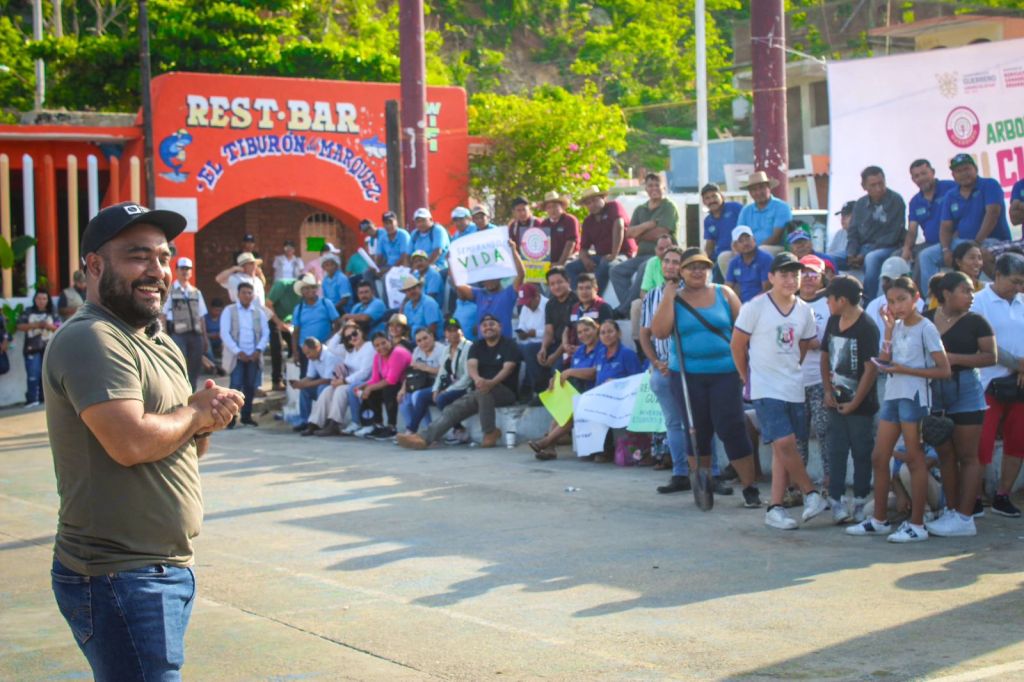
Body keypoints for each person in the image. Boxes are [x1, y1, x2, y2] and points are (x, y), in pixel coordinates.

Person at [44, 201, 242, 679]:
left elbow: (184, 446)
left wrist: (204, 422)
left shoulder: (159, 342)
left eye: (164, 257)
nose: (157, 270)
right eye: (138, 257)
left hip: (165, 568)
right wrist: (193, 412)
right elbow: (131, 443)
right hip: (117, 574)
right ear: (94, 266)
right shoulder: (91, 337)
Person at [651, 248, 762, 507]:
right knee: (696, 431)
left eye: (703, 266)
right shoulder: (674, 298)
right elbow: (659, 331)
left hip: (725, 372)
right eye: (691, 267)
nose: (697, 271)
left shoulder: (724, 293)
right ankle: (703, 485)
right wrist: (668, 296)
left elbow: (745, 328)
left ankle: (749, 487)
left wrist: (747, 367)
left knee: (732, 428)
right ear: (681, 272)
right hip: (687, 376)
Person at [846, 276, 951, 543]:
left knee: (914, 459)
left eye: (902, 299)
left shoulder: (926, 328)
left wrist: (906, 370)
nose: (896, 306)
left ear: (916, 298)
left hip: (914, 397)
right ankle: (879, 520)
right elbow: (886, 359)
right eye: (892, 301)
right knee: (880, 457)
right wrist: (889, 331)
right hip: (893, 396)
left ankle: (917, 524)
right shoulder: (898, 325)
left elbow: (943, 369)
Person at [731, 252, 829, 530]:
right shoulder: (755, 307)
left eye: (795, 274)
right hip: (764, 386)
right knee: (785, 443)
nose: (790, 280)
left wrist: (791, 368)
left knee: (781, 450)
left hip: (793, 386)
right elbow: (737, 346)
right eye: (784, 274)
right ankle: (811, 493)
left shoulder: (804, 310)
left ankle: (775, 507)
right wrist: (746, 377)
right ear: (771, 277)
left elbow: (804, 344)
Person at [921, 271, 995, 537]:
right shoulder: (926, 320)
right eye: (965, 290)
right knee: (945, 454)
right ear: (946, 294)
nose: (971, 296)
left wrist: (951, 357)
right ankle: (951, 510)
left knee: (968, 455)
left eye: (972, 290)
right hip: (935, 391)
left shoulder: (977, 322)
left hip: (966, 389)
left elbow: (990, 357)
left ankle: (965, 517)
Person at [396, 314, 521, 449]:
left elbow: (508, 368)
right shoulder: (478, 346)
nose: (488, 327)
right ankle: (424, 438)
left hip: (505, 390)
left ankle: (489, 432)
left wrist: (490, 383)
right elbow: (472, 366)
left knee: (482, 391)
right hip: (480, 389)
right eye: (485, 325)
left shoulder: (509, 344)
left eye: (492, 324)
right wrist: (479, 379)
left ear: (500, 327)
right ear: (480, 329)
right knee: (452, 409)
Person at [820, 275, 880, 524]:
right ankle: (836, 499)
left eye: (830, 299)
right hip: (836, 400)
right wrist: (827, 390)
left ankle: (860, 499)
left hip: (861, 405)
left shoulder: (867, 327)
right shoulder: (834, 321)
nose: (827, 303)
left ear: (842, 300)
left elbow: (871, 369)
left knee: (861, 451)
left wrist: (855, 403)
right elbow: (825, 355)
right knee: (836, 451)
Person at [972, 252, 1024, 519]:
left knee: (1018, 441)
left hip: (1018, 385)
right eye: (1013, 281)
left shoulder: (1022, 302)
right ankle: (975, 496)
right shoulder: (979, 301)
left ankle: (1003, 494)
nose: (1018, 288)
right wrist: (1017, 363)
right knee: (983, 442)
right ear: (998, 275)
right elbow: (983, 343)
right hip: (987, 380)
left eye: (1021, 283)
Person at [919, 153, 1012, 287]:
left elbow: (993, 214)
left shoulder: (989, 184)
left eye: (967, 169)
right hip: (961, 243)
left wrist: (976, 243)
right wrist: (945, 250)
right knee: (926, 256)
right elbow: (945, 226)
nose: (963, 174)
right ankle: (933, 300)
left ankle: (986, 294)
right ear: (953, 175)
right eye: (958, 171)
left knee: (976, 254)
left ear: (975, 169)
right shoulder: (951, 195)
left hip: (989, 240)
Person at [528, 316, 603, 460]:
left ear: (596, 329)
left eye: (587, 330)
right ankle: (550, 448)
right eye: (580, 332)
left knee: (571, 412)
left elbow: (594, 373)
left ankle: (547, 442)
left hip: (595, 392)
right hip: (578, 391)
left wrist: (569, 372)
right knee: (560, 410)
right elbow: (570, 374)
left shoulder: (602, 348)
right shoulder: (580, 351)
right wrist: (556, 380)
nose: (583, 334)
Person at [611, 173, 677, 316]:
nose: (654, 188)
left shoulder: (668, 207)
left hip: (661, 256)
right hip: (640, 254)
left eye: (657, 185)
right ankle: (629, 308)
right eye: (650, 185)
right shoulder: (640, 209)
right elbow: (629, 234)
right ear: (645, 188)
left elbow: (661, 233)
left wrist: (639, 233)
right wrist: (649, 224)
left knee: (644, 267)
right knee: (616, 271)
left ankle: (624, 308)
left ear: (663, 187)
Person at [795, 255, 832, 489]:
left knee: (825, 432)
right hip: (794, 381)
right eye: (804, 273)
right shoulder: (789, 302)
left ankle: (830, 482)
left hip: (820, 379)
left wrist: (809, 341)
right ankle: (799, 485)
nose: (808, 278)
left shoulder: (829, 303)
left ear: (822, 278)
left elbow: (830, 340)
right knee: (797, 437)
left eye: (813, 273)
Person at [846, 166, 907, 301]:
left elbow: (893, 234)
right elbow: (853, 232)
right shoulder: (860, 204)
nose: (878, 188)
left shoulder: (895, 200)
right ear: (864, 186)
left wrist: (864, 254)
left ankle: (868, 301)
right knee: (831, 259)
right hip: (861, 248)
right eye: (873, 185)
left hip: (887, 247)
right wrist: (851, 253)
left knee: (871, 258)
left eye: (881, 183)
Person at [311, 323, 376, 436]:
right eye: (348, 337)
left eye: (354, 333)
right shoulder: (349, 350)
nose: (353, 338)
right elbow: (330, 346)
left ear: (360, 331)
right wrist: (341, 331)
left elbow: (365, 372)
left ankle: (334, 423)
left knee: (340, 390)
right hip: (349, 382)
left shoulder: (369, 347)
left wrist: (344, 381)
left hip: (364, 382)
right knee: (327, 390)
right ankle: (315, 423)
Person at [564, 186, 634, 292]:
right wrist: (585, 259)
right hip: (601, 256)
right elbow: (583, 248)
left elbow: (619, 226)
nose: (592, 205)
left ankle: (594, 297)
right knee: (569, 268)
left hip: (622, 254)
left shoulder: (613, 206)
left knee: (605, 264)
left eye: (595, 200)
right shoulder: (588, 221)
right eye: (588, 203)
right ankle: (578, 297)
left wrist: (614, 254)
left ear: (603, 198)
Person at [722, 171, 791, 276]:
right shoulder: (746, 210)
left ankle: (766, 286)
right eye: (754, 189)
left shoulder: (781, 207)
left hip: (775, 248)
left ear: (769, 187)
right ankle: (733, 288)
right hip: (747, 249)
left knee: (763, 251)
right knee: (724, 257)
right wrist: (736, 249)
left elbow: (776, 236)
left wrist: (753, 251)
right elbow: (736, 237)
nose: (758, 192)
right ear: (750, 193)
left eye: (762, 187)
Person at [221, 281, 270, 427]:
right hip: (237, 356)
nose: (247, 295)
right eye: (244, 292)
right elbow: (225, 333)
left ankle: (246, 416)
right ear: (238, 294)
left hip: (253, 355)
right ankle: (231, 418)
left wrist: (258, 350)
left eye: (250, 293)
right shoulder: (229, 311)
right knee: (235, 387)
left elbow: (265, 332)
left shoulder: (259, 312)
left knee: (250, 387)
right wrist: (238, 351)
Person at [453, 240, 526, 338]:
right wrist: (451, 261)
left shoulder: (508, 294)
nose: (489, 281)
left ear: (499, 276)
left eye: (492, 276)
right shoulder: (479, 294)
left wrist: (513, 250)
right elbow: (458, 283)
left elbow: (521, 274)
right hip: (483, 348)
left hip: (503, 345)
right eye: (485, 278)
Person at [348, 332, 412, 439]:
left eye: (383, 343)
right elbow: (375, 379)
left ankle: (392, 427)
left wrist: (369, 388)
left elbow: (391, 380)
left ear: (390, 341)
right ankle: (377, 425)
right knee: (370, 391)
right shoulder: (377, 357)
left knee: (388, 389)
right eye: (377, 345)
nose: (381, 347)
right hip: (395, 384)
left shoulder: (397, 353)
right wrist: (362, 386)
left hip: (408, 384)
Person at [901, 159, 957, 278]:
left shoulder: (950, 188)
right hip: (929, 243)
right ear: (913, 179)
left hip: (951, 241)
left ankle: (922, 294)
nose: (921, 178)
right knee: (896, 256)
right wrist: (906, 248)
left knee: (923, 256)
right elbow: (912, 230)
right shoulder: (915, 201)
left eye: (924, 173)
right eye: (916, 176)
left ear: (933, 172)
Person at [162, 256, 210, 389]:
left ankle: (192, 393)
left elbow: (201, 317)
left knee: (194, 369)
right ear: (176, 271)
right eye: (182, 269)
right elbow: (163, 315)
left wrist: (205, 338)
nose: (185, 271)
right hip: (178, 334)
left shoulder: (196, 292)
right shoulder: (169, 291)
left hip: (196, 335)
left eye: (188, 269)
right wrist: (164, 336)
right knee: (178, 366)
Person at [398, 327, 447, 435]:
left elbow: (445, 373)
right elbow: (411, 373)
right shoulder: (417, 350)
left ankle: (429, 432)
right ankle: (411, 432)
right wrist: (403, 389)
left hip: (440, 384)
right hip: (421, 383)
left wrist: (425, 368)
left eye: (425, 338)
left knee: (417, 396)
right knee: (404, 400)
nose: (423, 343)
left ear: (432, 336)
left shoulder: (442, 350)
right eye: (419, 341)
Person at [432, 318, 474, 444]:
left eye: (455, 330)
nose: (453, 333)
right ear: (445, 333)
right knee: (423, 397)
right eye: (449, 331)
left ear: (461, 331)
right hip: (452, 385)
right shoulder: (447, 349)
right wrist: (436, 389)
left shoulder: (469, 347)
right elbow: (442, 372)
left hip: (466, 387)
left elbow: (468, 377)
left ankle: (459, 429)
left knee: (442, 399)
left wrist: (446, 390)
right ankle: (413, 430)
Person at [291, 337, 344, 435]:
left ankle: (322, 423)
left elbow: (327, 380)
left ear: (317, 348)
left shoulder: (329, 356)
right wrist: (299, 383)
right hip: (326, 384)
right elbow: (310, 376)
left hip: (335, 384)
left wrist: (305, 384)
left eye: (309, 353)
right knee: (305, 390)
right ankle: (305, 421)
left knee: (321, 388)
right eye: (305, 354)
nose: (307, 356)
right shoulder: (313, 357)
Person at [291, 273, 340, 375]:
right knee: (306, 377)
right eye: (306, 288)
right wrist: (295, 352)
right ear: (302, 292)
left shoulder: (326, 303)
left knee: (326, 378)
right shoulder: (298, 309)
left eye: (313, 287)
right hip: (305, 351)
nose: (310, 291)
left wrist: (330, 340)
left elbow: (337, 323)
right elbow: (295, 332)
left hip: (324, 349)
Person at [865, 256, 924, 341]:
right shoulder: (873, 305)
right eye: (886, 280)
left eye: (892, 280)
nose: (888, 284)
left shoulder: (918, 304)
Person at [18, 289, 59, 407]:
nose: (41, 301)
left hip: (48, 348)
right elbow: (19, 326)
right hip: (32, 348)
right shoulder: (28, 311)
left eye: (44, 299)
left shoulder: (52, 312)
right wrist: (35, 325)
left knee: (46, 375)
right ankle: (32, 399)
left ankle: (45, 399)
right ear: (35, 299)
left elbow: (59, 326)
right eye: (39, 298)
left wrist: (48, 326)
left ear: (48, 300)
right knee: (33, 374)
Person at [535, 266, 577, 375]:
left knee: (557, 368)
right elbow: (549, 331)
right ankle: (537, 389)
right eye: (552, 284)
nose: (556, 286)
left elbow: (569, 334)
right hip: (555, 343)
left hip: (571, 345)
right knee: (530, 351)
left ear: (568, 281)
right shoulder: (550, 304)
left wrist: (555, 356)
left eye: (560, 282)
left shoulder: (576, 300)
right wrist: (543, 348)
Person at [265, 273, 301, 391]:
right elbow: (268, 304)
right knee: (277, 347)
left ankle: (288, 376)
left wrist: (290, 324)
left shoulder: (306, 294)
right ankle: (276, 380)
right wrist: (279, 323)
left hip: (288, 321)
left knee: (294, 346)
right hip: (271, 317)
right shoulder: (282, 285)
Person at [701, 183, 742, 282]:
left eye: (714, 196)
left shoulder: (735, 208)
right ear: (704, 202)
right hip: (719, 258)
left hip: (739, 253)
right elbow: (709, 245)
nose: (711, 200)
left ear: (722, 196)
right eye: (707, 198)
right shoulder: (708, 220)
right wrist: (703, 260)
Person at [563, 272, 613, 352]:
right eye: (581, 288)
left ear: (596, 289)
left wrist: (583, 349)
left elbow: (608, 335)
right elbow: (566, 330)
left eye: (588, 288)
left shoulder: (603, 308)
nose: (584, 292)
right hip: (573, 353)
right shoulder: (573, 308)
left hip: (597, 353)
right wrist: (565, 345)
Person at [515, 283, 548, 398]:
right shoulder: (525, 307)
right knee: (510, 349)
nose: (527, 305)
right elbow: (522, 324)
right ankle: (512, 389)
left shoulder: (548, 305)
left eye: (529, 302)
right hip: (527, 342)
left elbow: (552, 331)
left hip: (545, 343)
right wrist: (521, 332)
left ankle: (535, 388)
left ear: (537, 296)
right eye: (525, 302)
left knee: (529, 350)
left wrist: (536, 333)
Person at [725, 225, 773, 303]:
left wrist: (749, 306)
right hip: (741, 305)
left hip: (763, 303)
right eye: (740, 241)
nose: (745, 243)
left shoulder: (766, 259)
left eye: (748, 239)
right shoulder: (734, 263)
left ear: (754, 239)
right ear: (735, 246)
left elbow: (767, 290)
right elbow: (727, 289)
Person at [373, 210, 411, 302]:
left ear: (396, 222)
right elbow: (379, 255)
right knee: (367, 274)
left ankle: (387, 305)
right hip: (388, 266)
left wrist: (388, 269)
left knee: (386, 277)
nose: (389, 226)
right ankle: (377, 301)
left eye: (391, 222)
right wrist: (375, 267)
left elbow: (404, 257)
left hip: (402, 266)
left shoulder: (403, 235)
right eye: (386, 223)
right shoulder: (383, 237)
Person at [538, 191, 580, 267]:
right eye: (549, 207)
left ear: (561, 206)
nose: (552, 210)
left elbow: (571, 243)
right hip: (550, 261)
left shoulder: (570, 220)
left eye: (555, 206)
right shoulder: (544, 224)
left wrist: (560, 263)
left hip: (570, 258)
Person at [408, 207, 451, 277]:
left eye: (423, 220)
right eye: (418, 221)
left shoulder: (438, 230)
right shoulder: (415, 234)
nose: (420, 224)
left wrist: (425, 268)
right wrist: (410, 269)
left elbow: (437, 252)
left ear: (431, 219)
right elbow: (408, 255)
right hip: (419, 268)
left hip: (439, 267)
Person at [400, 275, 443, 340]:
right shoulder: (407, 306)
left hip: (431, 341)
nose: (412, 292)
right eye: (408, 290)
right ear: (405, 293)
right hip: (415, 341)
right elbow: (407, 327)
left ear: (420, 288)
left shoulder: (428, 303)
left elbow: (432, 328)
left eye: (414, 288)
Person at [826, 201, 855, 269]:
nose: (842, 219)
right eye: (842, 215)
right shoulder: (840, 233)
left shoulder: (864, 233)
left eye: (847, 215)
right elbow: (829, 256)